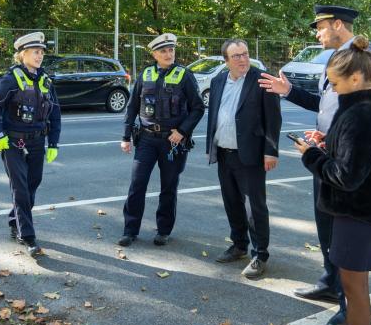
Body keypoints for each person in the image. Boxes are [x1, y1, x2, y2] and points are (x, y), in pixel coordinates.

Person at [258, 4, 371, 325]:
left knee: (345, 236)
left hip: (350, 167)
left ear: (337, 24)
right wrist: (288, 91)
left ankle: (349, 305)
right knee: (326, 229)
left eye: (319, 27)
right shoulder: (333, 62)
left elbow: (368, 114)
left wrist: (331, 142)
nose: (317, 34)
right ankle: (331, 283)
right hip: (328, 154)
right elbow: (326, 105)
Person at [293, 35, 371, 325]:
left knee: (355, 292)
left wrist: (312, 155)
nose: (333, 89)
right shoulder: (369, 103)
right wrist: (329, 142)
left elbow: (347, 176)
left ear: (356, 78)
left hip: (360, 213)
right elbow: (360, 156)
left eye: (336, 83)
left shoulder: (362, 114)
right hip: (363, 210)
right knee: (355, 289)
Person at [118, 33, 205, 247]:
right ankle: (130, 230)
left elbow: (198, 108)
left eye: (171, 50)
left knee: (168, 187)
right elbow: (132, 108)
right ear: (155, 54)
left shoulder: (184, 75)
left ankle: (163, 231)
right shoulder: (145, 73)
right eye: (164, 51)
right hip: (146, 138)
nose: (169, 54)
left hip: (172, 141)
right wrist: (126, 136)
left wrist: (182, 131)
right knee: (137, 184)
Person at [205, 39, 282, 279]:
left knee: (254, 208)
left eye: (245, 54)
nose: (242, 59)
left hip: (251, 155)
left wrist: (271, 151)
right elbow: (215, 115)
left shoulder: (262, 80)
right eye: (236, 56)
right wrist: (212, 146)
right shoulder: (218, 81)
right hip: (224, 153)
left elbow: (273, 119)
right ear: (226, 61)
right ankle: (239, 245)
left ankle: (260, 255)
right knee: (231, 203)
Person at [0, 32, 62, 256]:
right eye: (35, 52)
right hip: (13, 143)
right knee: (20, 188)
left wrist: (54, 142)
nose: (40, 56)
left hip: (38, 142)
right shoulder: (10, 80)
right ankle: (27, 235)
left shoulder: (46, 81)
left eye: (41, 52)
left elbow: (55, 114)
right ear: (22, 54)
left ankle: (14, 220)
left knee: (32, 184)